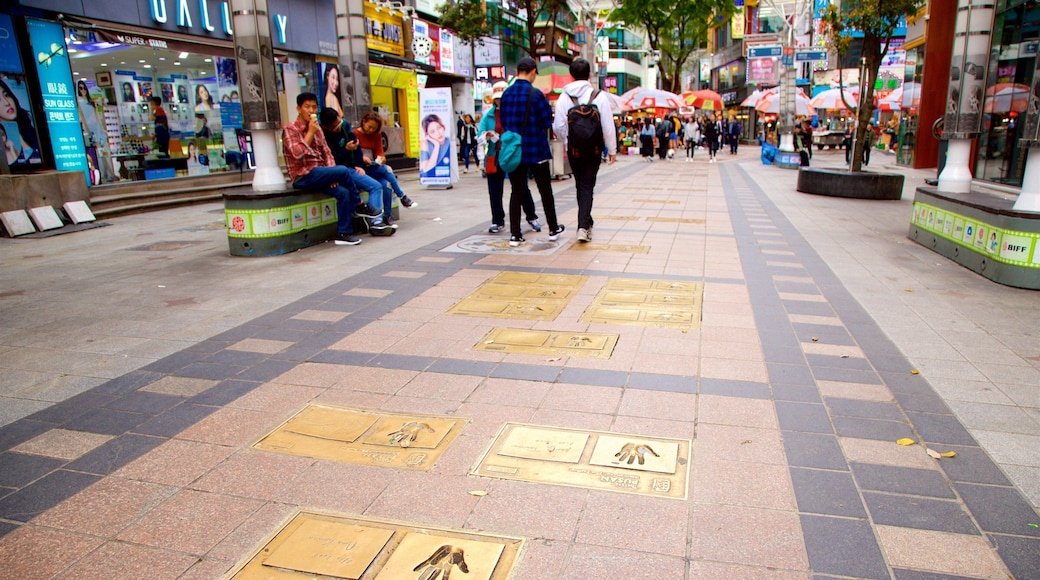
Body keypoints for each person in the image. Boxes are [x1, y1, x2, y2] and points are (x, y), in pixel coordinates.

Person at [281, 92, 381, 246]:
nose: (311, 110)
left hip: (321, 173)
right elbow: (297, 153)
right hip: (303, 176)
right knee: (343, 170)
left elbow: (326, 152)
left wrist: (330, 173)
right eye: (307, 107)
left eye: (314, 107)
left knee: (343, 192)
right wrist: (310, 133)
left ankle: (344, 233)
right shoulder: (291, 129)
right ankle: (360, 205)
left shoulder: (318, 129)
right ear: (298, 109)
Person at [499, 56, 564, 247]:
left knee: (516, 191)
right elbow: (546, 122)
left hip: (514, 150)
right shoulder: (537, 95)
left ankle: (515, 234)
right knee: (545, 189)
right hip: (536, 149)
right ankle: (553, 229)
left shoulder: (506, 95)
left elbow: (504, 121)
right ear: (533, 72)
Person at [552, 57, 617, 244]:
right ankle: (583, 225)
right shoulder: (599, 96)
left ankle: (585, 220)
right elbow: (607, 125)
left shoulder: (564, 97)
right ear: (589, 74)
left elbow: (559, 126)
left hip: (575, 150)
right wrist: (612, 150)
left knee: (581, 184)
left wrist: (567, 141)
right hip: (594, 149)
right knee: (588, 185)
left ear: (571, 75)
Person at [479, 81, 542, 234]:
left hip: (512, 155)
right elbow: (479, 136)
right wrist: (486, 136)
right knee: (494, 190)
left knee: (521, 187)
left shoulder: (514, 113)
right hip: (493, 156)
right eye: (497, 98)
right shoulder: (488, 116)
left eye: (502, 97)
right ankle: (498, 221)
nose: (499, 101)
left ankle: (531, 216)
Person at [319, 107, 395, 232]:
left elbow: (357, 147)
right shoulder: (325, 137)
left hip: (357, 167)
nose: (340, 125)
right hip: (343, 170)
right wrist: (347, 150)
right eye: (336, 124)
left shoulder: (345, 127)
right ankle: (376, 222)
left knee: (386, 178)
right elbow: (332, 159)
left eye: (339, 120)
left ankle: (386, 215)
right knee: (376, 186)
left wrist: (359, 164)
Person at [354, 110, 416, 208]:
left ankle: (387, 215)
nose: (371, 130)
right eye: (369, 127)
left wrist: (381, 159)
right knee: (386, 170)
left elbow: (380, 152)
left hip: (372, 167)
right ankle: (402, 196)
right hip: (360, 169)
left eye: (374, 128)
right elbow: (350, 154)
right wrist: (361, 157)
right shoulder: (354, 134)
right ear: (364, 122)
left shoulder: (376, 136)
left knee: (386, 183)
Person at [419, 114, 452, 179]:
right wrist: (436, 145)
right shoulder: (425, 144)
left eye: (439, 128)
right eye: (432, 131)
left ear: (443, 127)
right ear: (427, 134)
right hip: (428, 178)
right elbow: (427, 168)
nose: (438, 133)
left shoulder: (449, 142)